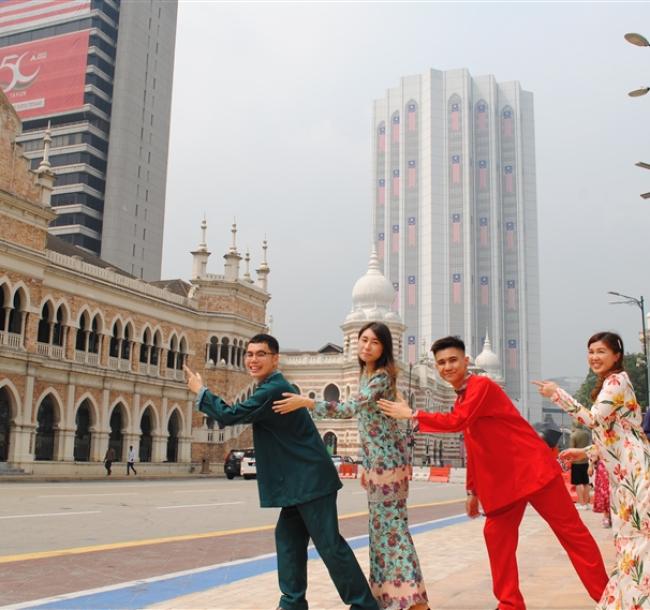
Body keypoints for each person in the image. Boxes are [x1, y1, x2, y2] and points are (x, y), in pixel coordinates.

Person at [378, 335, 608, 610]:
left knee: (572, 534)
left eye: (452, 360)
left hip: (532, 470)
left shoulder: (481, 386)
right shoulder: (463, 397)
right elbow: (474, 445)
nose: (447, 367)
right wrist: (472, 490)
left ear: (466, 362)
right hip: (506, 484)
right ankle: (510, 603)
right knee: (496, 537)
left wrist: (412, 414)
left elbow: (457, 422)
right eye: (441, 363)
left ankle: (608, 596)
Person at [184, 333, 378, 610]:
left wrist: (200, 391)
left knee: (329, 546)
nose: (253, 359)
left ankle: (364, 605)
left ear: (275, 359)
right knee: (288, 541)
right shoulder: (269, 386)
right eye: (249, 354)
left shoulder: (272, 389)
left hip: (310, 481)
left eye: (260, 354)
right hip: (297, 483)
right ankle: (292, 603)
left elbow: (229, 415)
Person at [273, 321, 429, 610]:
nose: (366, 346)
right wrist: (365, 466)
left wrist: (305, 403)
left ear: (384, 348)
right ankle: (390, 598)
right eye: (363, 340)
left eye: (374, 342)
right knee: (382, 533)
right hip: (378, 466)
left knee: (393, 531)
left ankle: (416, 602)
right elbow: (373, 427)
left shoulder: (380, 378)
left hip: (389, 466)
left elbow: (349, 409)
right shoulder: (365, 375)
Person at [535, 331, 650, 610]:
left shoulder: (616, 380)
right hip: (623, 475)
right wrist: (587, 452)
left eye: (601, 352)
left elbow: (593, 419)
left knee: (637, 540)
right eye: (591, 352)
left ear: (616, 356)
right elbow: (612, 435)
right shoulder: (608, 384)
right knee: (627, 542)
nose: (594, 357)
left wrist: (557, 395)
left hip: (635, 472)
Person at [569, 422, 591, 510]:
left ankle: (581, 503)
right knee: (586, 483)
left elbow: (571, 449)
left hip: (576, 462)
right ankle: (586, 503)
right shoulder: (586, 434)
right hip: (586, 461)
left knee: (578, 483)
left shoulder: (573, 435)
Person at [589, 450, 611, 528]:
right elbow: (590, 471)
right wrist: (591, 464)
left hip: (612, 469)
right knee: (605, 493)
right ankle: (606, 516)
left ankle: (610, 516)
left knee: (611, 493)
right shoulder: (596, 446)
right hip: (602, 472)